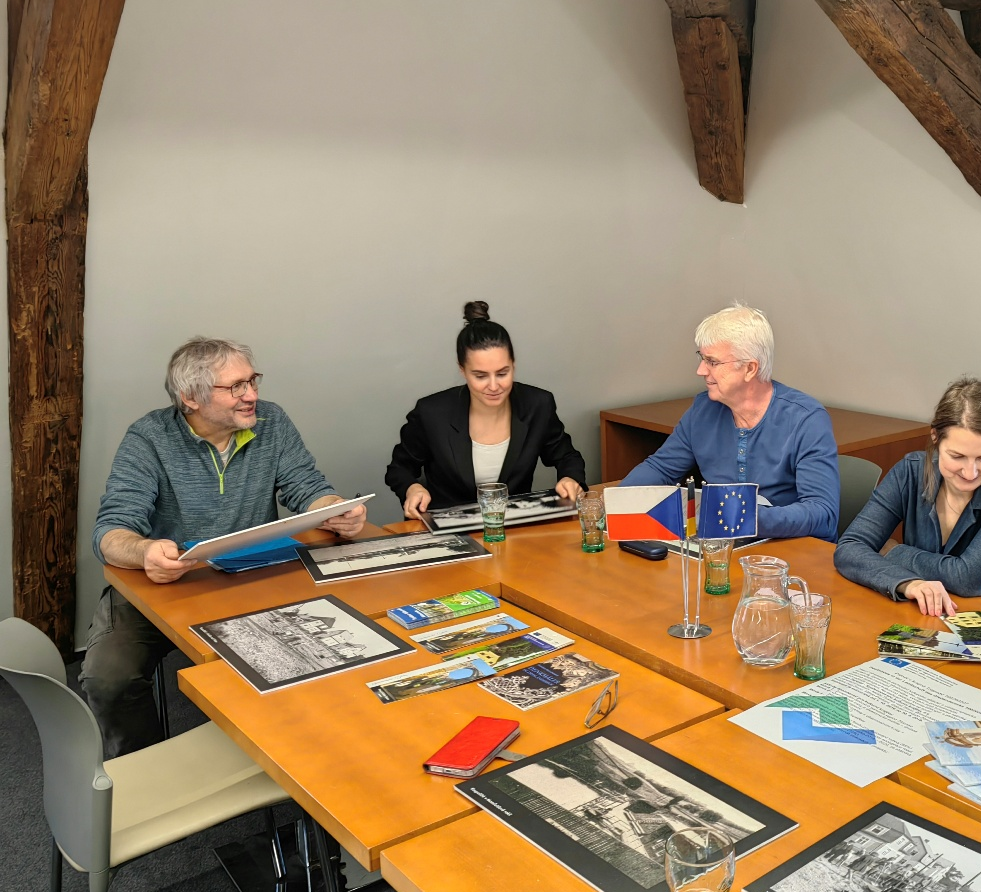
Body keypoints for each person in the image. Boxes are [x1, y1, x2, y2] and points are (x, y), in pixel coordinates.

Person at [81, 337, 367, 756]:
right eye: (235, 387)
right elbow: (111, 531)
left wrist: (335, 509)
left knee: (333, 646)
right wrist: (145, 553)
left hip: (255, 575)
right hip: (168, 582)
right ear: (190, 398)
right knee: (108, 678)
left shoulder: (271, 421)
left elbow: (307, 487)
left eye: (252, 381)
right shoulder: (149, 437)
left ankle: (305, 752)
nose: (252, 395)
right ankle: (144, 769)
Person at [620, 304, 839, 542]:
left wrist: (744, 518)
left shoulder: (806, 419)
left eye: (712, 362)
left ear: (750, 369)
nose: (701, 370)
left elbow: (822, 513)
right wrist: (616, 502)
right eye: (702, 358)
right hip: (723, 547)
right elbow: (661, 468)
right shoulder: (703, 409)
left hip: (788, 550)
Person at [834, 378, 981, 615]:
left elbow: (970, 580)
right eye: (957, 456)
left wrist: (893, 551)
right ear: (935, 437)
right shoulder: (910, 471)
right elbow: (849, 547)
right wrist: (908, 583)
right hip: (933, 615)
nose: (970, 473)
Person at [385, 301, 586, 519]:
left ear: (513, 365)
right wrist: (412, 488)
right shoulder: (432, 413)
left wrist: (570, 478)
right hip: (449, 528)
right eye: (480, 376)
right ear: (462, 370)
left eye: (502, 373)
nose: (493, 386)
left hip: (513, 525)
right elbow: (399, 469)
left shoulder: (537, 404)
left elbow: (567, 456)